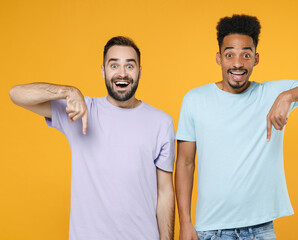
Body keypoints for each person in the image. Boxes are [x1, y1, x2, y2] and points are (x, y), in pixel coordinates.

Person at [175, 14, 298, 240]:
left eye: (246, 55)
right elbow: (185, 163)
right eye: (230, 55)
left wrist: (288, 96)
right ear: (219, 58)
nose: (237, 63)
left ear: (256, 58)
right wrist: (185, 223)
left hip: (259, 231)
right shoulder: (195, 99)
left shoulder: (271, 93)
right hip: (211, 230)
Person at [9, 36, 175, 240]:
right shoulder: (80, 111)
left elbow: (165, 192)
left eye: (129, 66)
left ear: (140, 71)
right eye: (114, 65)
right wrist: (68, 92)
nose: (122, 73)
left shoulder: (161, 122)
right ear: (103, 71)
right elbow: (16, 94)